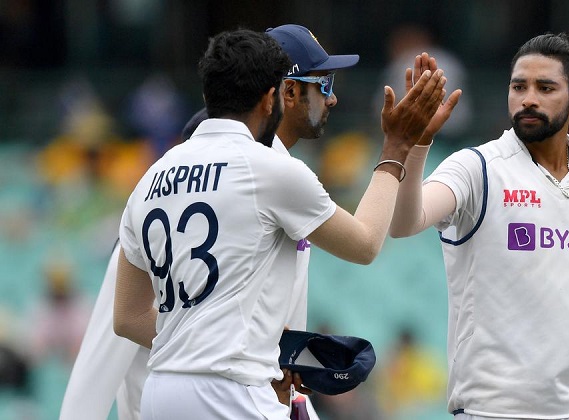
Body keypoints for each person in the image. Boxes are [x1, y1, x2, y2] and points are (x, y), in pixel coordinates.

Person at [61, 24, 442, 419]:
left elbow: (128, 317)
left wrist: (221, 343)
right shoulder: (269, 170)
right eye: (323, 84)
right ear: (273, 97)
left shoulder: (151, 176)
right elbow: (365, 244)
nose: (332, 99)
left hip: (163, 393)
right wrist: (397, 146)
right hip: (230, 392)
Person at [389, 34, 569, 419]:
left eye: (545, 88)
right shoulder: (477, 167)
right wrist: (417, 145)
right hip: (493, 410)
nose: (528, 98)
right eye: (519, 87)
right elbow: (403, 223)